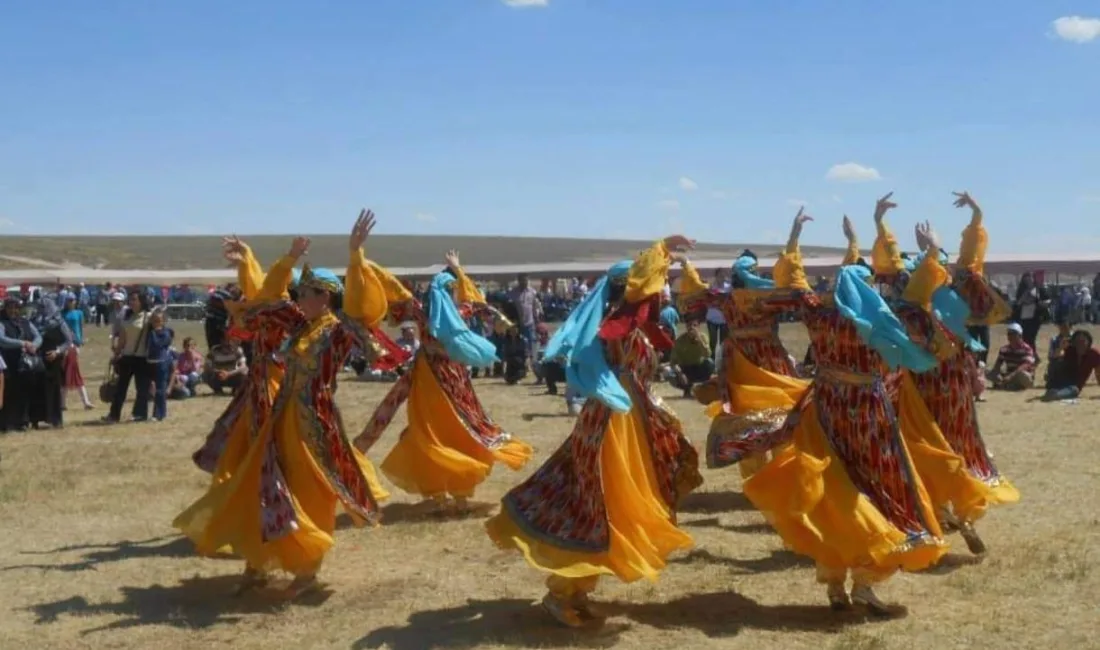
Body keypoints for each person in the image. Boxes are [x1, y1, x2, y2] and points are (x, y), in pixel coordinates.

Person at [709, 195, 960, 614]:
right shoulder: (884, 324)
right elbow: (921, 298)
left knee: (834, 493)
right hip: (868, 413)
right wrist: (931, 249)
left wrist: (795, 237)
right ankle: (863, 581)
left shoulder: (819, 315)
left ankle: (835, 583)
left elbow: (792, 278)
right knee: (880, 489)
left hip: (825, 408)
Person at [485, 236, 703, 629]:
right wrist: (662, 251)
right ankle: (560, 592)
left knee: (615, 511)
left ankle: (576, 591)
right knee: (598, 509)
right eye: (650, 289)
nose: (656, 296)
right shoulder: (612, 328)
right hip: (608, 428)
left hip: (629, 428)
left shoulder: (630, 328)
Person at [174, 209, 393, 598]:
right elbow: (265, 294)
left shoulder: (338, 330)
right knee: (264, 484)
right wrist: (257, 262)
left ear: (324, 297)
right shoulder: (299, 325)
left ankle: (307, 570)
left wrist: (355, 254)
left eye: (306, 293)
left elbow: (361, 307)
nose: (299, 298)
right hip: (281, 416)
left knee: (308, 490)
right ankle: (257, 561)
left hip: (314, 423)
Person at [882, 193, 1019, 555]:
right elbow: (970, 265)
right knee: (956, 442)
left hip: (923, 380)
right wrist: (974, 218)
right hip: (953, 376)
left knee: (924, 443)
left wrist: (884, 227)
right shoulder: (957, 290)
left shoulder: (911, 298)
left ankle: (939, 511)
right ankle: (961, 512)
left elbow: (894, 269)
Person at [354, 249, 532, 516]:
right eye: (450, 291)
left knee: (438, 431)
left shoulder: (426, 310)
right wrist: (459, 272)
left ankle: (445, 495)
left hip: (435, 376)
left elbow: (393, 289)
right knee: (442, 431)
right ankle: (450, 495)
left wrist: (363, 263)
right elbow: (482, 305)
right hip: (444, 377)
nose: (451, 296)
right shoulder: (457, 310)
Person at [678, 210, 815, 479]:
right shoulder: (763, 298)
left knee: (745, 416)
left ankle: (756, 475)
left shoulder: (724, 299)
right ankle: (782, 471)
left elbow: (694, 293)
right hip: (768, 358)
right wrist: (794, 235)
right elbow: (793, 285)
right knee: (781, 412)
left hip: (739, 360)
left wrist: (686, 264)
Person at [104, 292, 154, 423]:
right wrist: (116, 355)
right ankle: (114, 415)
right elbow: (122, 339)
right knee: (120, 388)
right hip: (127, 357)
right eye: (130, 300)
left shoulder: (149, 317)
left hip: (142, 358)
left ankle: (140, 414)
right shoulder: (126, 316)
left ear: (142, 301)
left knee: (142, 389)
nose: (131, 302)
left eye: (134, 299)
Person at [29, 297, 74, 429]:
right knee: (37, 388)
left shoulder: (59, 322)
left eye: (44, 306)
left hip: (53, 360)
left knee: (53, 389)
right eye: (40, 306)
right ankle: (36, 419)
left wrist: (57, 351)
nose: (41, 309)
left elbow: (68, 340)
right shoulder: (35, 321)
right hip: (38, 359)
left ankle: (55, 419)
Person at [0, 297, 42, 433]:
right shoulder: (2, 322)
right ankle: (7, 423)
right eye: (10, 308)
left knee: (24, 393)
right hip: (9, 363)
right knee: (9, 393)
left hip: (26, 364)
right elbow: (2, 340)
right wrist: (22, 343)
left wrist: (33, 346)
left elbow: (38, 336)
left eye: (15, 307)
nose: (13, 310)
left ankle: (23, 421)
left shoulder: (25, 322)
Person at [1043, 330, 1100, 401]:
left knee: (1074, 390)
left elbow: (1098, 373)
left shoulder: (1094, 354)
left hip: (1073, 387)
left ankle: (1056, 394)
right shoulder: (1069, 350)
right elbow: (1053, 359)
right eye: (1078, 341)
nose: (1080, 344)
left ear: (1089, 342)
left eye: (1083, 341)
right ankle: (1053, 391)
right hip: (1060, 381)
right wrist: (1061, 347)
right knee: (1056, 362)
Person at [61, 296, 95, 410]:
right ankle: (64, 403)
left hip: (76, 343)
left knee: (70, 372)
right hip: (67, 343)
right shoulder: (62, 313)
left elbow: (80, 327)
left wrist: (81, 339)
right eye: (68, 300)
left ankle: (63, 403)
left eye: (72, 300)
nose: (70, 302)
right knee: (68, 372)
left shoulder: (79, 313)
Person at [669, 318, 713, 398]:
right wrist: (680, 374)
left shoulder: (703, 337)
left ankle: (703, 388)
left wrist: (699, 340)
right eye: (689, 325)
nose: (691, 328)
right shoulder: (680, 340)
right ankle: (687, 389)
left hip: (699, 367)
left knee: (710, 363)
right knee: (668, 373)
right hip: (685, 368)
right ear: (686, 327)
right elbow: (673, 362)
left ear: (698, 327)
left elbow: (707, 354)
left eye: (694, 325)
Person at [987, 323, 1036, 391]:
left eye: (1013, 334)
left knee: (1022, 374)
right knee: (986, 371)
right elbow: (997, 365)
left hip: (1021, 374)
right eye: (1009, 334)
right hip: (1008, 374)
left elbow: (1025, 365)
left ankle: (1010, 385)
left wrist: (1011, 376)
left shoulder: (1027, 349)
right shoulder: (1004, 349)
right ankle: (1008, 384)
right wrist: (996, 373)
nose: (1010, 336)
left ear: (1020, 335)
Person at [146, 310, 174, 422]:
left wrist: (154, 333)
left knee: (160, 389)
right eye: (154, 321)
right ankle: (160, 413)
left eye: (158, 321)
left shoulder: (165, 333)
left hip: (161, 362)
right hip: (151, 361)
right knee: (153, 389)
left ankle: (158, 414)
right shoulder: (150, 331)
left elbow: (157, 344)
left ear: (163, 322)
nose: (156, 323)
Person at [1013, 272, 1048, 354]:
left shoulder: (1037, 288)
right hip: (1024, 318)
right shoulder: (1021, 290)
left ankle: (1033, 355)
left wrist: (1040, 303)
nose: (1028, 281)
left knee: (1031, 338)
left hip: (1035, 318)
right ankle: (1030, 354)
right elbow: (1018, 303)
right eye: (1026, 280)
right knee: (1025, 337)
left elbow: (1047, 300)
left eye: (1029, 279)